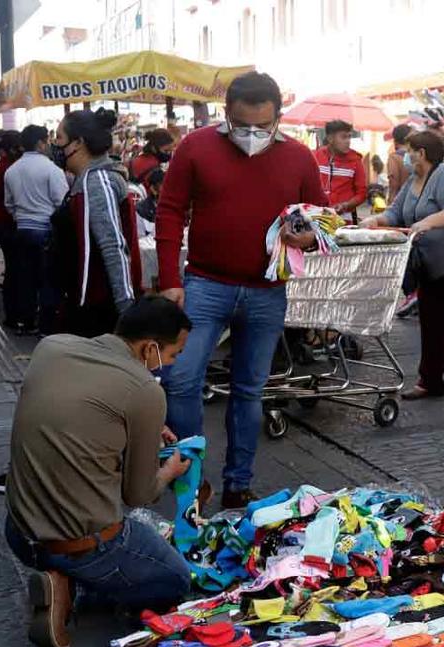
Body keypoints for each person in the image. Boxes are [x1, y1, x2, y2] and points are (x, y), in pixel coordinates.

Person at [156, 71, 327, 510]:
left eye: (262, 127)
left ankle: (237, 486)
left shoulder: (299, 157)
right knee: (180, 379)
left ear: (278, 118)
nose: (251, 136)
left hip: (266, 291)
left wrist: (307, 236)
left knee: (250, 390)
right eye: (242, 125)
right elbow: (171, 210)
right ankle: (189, 483)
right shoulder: (196, 146)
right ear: (226, 114)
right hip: (205, 284)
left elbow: (320, 219)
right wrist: (170, 282)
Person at [4, 296, 194, 647]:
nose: (170, 364)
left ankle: (59, 576)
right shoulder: (144, 390)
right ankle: (67, 584)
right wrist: (168, 472)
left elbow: (82, 417)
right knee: (175, 579)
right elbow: (138, 494)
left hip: (18, 532)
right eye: (172, 355)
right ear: (149, 348)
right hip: (76, 545)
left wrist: (144, 424)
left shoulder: (52, 347)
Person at [360, 131, 444, 399]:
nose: (405, 156)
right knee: (433, 326)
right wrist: (376, 221)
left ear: (421, 153)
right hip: (430, 269)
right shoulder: (414, 180)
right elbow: (396, 211)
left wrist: (428, 222)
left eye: (409, 150)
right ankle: (430, 382)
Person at [49, 108, 142, 338]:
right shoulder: (87, 179)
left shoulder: (97, 180)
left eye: (60, 137)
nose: (55, 144)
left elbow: (113, 245)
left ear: (78, 143)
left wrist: (125, 309)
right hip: (84, 303)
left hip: (96, 309)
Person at [3, 125, 69, 336]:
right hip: (45, 230)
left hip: (21, 230)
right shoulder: (51, 169)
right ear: (41, 143)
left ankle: (25, 322)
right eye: (47, 141)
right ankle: (46, 327)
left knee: (25, 278)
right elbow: (61, 201)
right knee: (47, 280)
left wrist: (20, 216)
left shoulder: (12, 170)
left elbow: (9, 203)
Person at [313, 119, 367, 222]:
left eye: (349, 137)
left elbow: (362, 193)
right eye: (343, 137)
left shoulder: (356, 160)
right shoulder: (316, 156)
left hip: (344, 219)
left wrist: (345, 205)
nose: (348, 141)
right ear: (330, 139)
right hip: (317, 216)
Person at [0, 132, 22, 317]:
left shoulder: (2, 166)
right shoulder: (10, 168)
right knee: (14, 266)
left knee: (12, 266)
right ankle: (13, 311)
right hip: (8, 222)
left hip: (3, 221)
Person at [386, 124, 413, 202]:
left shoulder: (394, 158)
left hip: (401, 201)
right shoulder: (417, 155)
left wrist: (390, 202)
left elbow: (393, 184)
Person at [136, 167, 165, 238]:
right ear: (152, 188)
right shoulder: (141, 210)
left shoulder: (172, 208)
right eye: (162, 185)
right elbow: (140, 238)